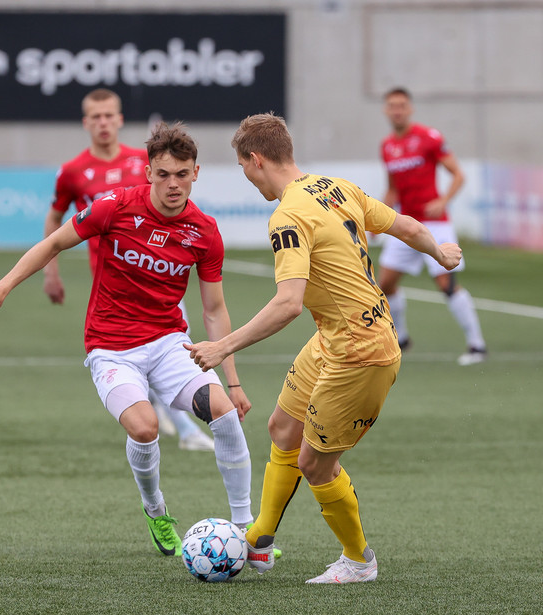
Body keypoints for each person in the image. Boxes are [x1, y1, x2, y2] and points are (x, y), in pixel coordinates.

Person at [185, 112, 462, 584]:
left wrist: (222, 347)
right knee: (282, 427)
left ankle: (359, 561)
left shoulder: (287, 216)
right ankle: (260, 541)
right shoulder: (337, 187)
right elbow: (406, 226)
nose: (246, 175)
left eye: (242, 165)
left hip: (361, 351)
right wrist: (440, 251)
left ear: (256, 160)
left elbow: (288, 304)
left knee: (315, 464)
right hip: (334, 336)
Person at [0, 122, 253, 557]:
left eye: (182, 174)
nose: (173, 184)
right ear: (149, 172)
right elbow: (53, 243)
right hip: (111, 347)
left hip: (168, 342)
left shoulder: (204, 231)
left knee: (224, 413)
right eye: (164, 174)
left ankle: (247, 532)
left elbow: (214, 310)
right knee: (145, 427)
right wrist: (1, 288)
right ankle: (155, 509)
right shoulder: (114, 207)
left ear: (196, 173)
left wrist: (233, 382)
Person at [44, 87, 214, 451]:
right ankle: (173, 423)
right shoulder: (73, 172)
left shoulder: (144, 162)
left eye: (109, 115)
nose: (103, 123)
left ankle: (185, 428)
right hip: (114, 280)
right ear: (86, 122)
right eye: (96, 117)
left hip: (162, 275)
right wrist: (51, 273)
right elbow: (56, 219)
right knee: (136, 354)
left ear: (120, 119)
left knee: (174, 346)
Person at [379, 87, 487, 366]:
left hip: (434, 224)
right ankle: (402, 338)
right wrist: (375, 219)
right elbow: (392, 189)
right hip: (405, 224)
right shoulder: (387, 146)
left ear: (410, 109)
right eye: (392, 106)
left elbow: (458, 175)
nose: (397, 110)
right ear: (386, 110)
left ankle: (477, 345)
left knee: (446, 284)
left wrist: (444, 200)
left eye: (402, 105)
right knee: (385, 284)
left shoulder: (429, 137)